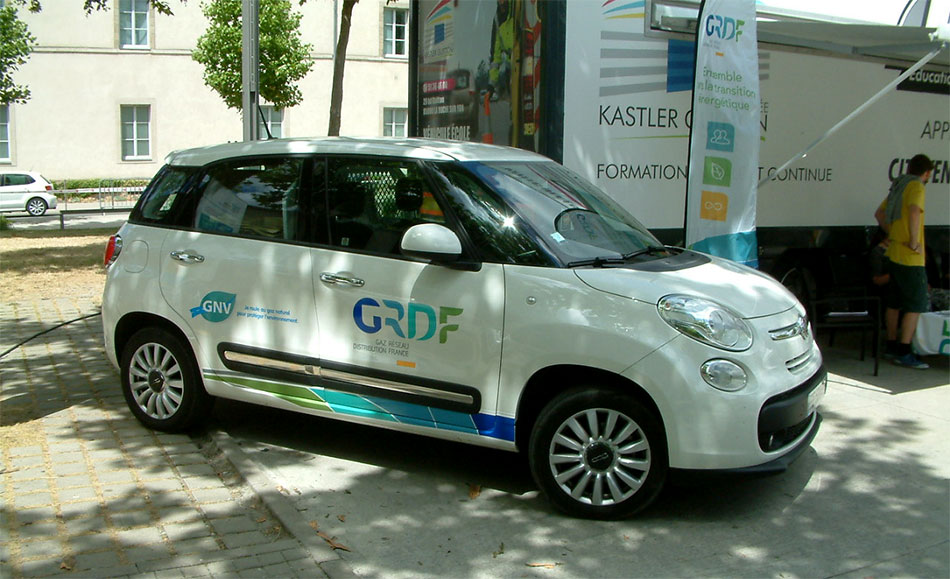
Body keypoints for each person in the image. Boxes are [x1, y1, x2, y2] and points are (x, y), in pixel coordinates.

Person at [874, 153, 934, 369]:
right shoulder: (917, 186)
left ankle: (890, 344)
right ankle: (904, 350)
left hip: (893, 253)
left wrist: (894, 234)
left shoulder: (898, 186)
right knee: (916, 303)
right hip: (910, 257)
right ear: (926, 173)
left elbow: (879, 214)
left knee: (894, 302)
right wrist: (914, 240)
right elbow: (914, 211)